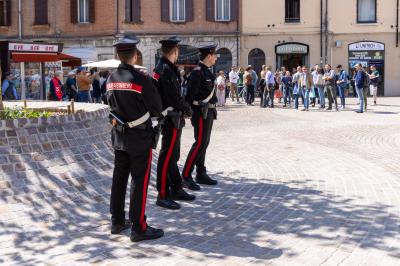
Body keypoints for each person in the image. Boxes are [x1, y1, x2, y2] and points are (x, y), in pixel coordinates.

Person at [106, 33, 164, 242]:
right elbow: (156, 107)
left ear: (118, 55)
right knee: (139, 181)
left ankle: (117, 221)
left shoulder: (110, 79)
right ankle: (139, 227)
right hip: (139, 137)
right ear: (135, 56)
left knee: (119, 179)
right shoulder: (141, 79)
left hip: (119, 137)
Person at [152, 36, 195, 210]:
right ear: (175, 51)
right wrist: (188, 109)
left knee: (173, 156)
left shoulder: (167, 68)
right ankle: (163, 193)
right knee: (166, 156)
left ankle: (175, 187)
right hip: (170, 118)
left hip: (174, 117)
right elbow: (173, 97)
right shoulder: (164, 70)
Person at [182, 44, 219, 191]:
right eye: (214, 55)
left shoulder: (206, 71)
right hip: (200, 113)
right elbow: (190, 96)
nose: (216, 58)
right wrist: (193, 112)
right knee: (199, 143)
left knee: (204, 143)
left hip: (208, 112)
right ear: (209, 56)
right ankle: (186, 175)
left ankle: (200, 172)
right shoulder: (197, 72)